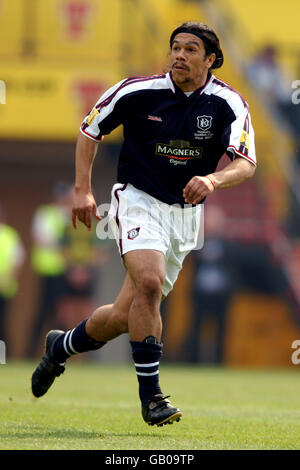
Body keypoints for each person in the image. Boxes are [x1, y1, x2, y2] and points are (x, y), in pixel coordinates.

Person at [31, 21, 256, 427]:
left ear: (210, 60)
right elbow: (90, 130)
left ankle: (60, 347)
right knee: (149, 283)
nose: (179, 56)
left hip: (185, 217)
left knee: (123, 315)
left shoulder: (229, 104)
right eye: (175, 48)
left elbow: (245, 163)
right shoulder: (137, 90)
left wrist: (211, 179)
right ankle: (152, 399)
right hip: (137, 200)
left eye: (190, 49)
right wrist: (83, 190)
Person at [0, 205, 25, 344]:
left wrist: (8, 280)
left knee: (2, 322)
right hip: (5, 286)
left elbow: (17, 261)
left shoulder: (9, 235)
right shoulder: (10, 235)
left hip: (4, 288)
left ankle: (3, 355)